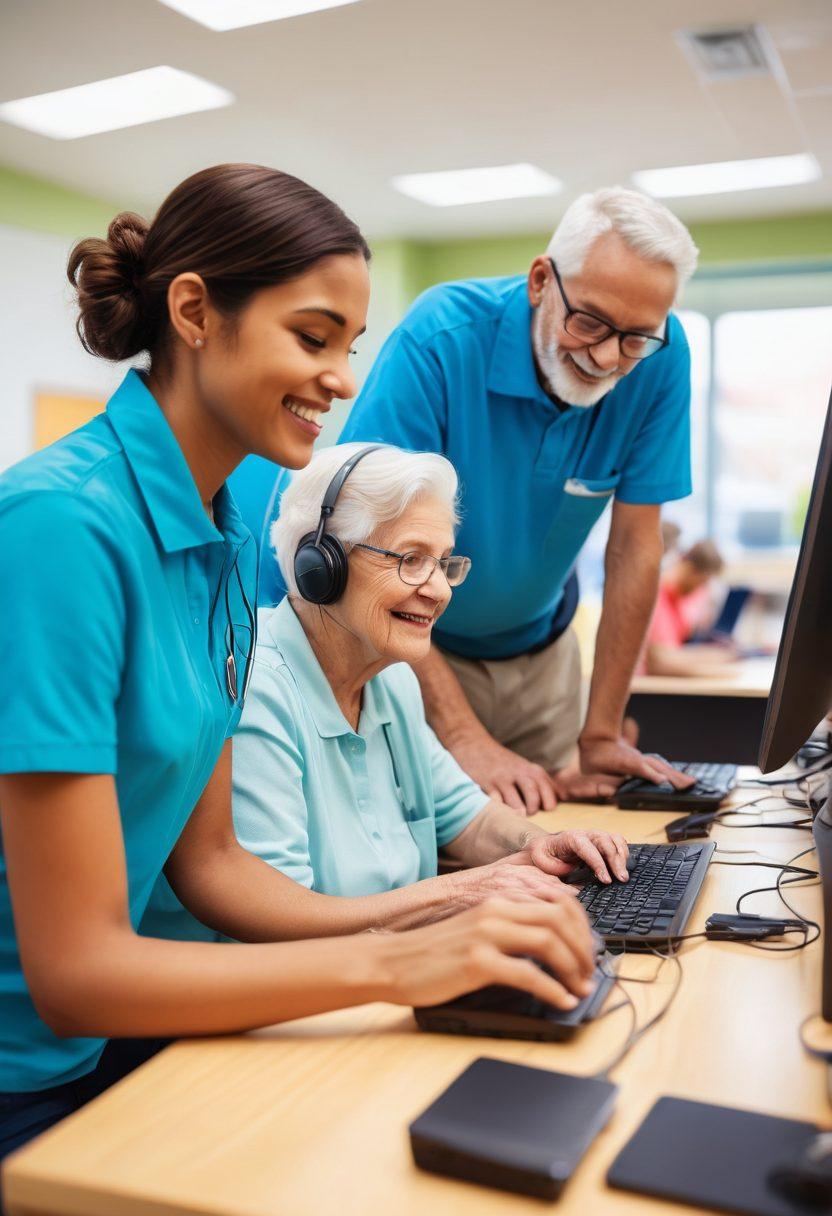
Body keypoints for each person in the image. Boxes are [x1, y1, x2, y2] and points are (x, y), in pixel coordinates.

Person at [0, 164, 595, 1172]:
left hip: (131, 1042)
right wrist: (397, 961)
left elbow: (214, 866)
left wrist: (449, 901)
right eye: (313, 337)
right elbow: (76, 970)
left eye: (351, 346)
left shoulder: (228, 533)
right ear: (194, 311)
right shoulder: (59, 526)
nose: (345, 379)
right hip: (29, 1076)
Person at [332, 187, 701, 813]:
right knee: (429, 849)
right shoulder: (441, 338)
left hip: (546, 656)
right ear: (540, 280)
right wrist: (464, 737)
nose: (609, 357)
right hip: (418, 652)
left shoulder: (661, 359)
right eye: (589, 322)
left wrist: (602, 732)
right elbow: (372, 548)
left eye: (636, 338)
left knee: (558, 842)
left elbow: (636, 545)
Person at [229, 443, 628, 913]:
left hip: (389, 968)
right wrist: (463, 894)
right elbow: (282, 918)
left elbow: (469, 819)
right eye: (410, 559)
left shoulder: (391, 678)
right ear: (321, 565)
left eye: (443, 563)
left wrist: (547, 843)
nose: (438, 590)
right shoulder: (258, 691)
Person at [641, 539, 736, 677]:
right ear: (689, 568)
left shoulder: (677, 602)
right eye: (702, 581)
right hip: (645, 688)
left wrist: (717, 656)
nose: (701, 588)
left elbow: (673, 653)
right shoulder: (656, 596)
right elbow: (659, 662)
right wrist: (718, 672)